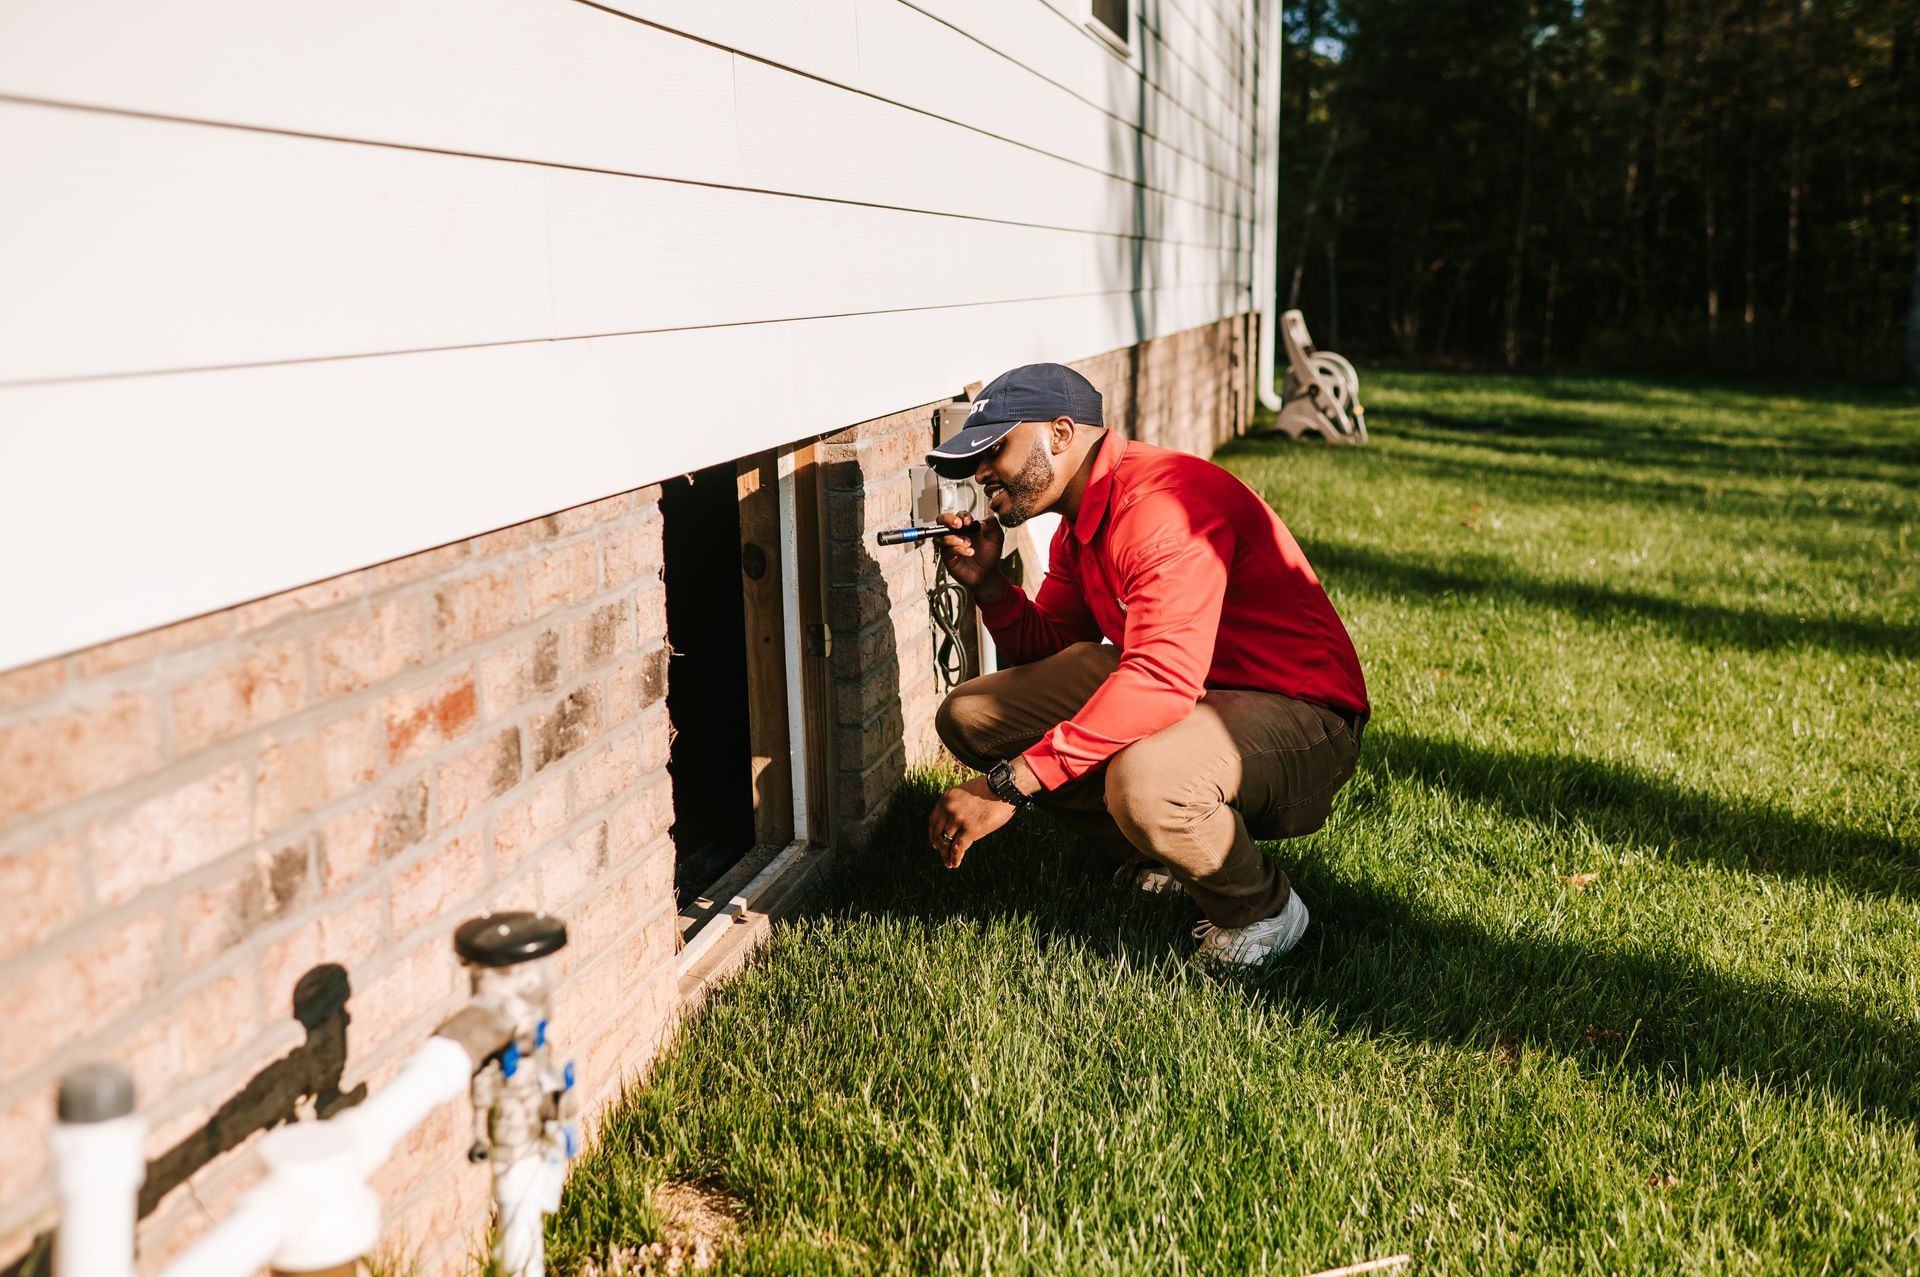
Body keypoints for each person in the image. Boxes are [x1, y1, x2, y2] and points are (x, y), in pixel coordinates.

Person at [923, 363, 1370, 968]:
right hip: (1201, 694)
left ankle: (1260, 909)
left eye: (994, 449)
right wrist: (991, 587)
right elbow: (1054, 653)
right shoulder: (1080, 526)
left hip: (1302, 716)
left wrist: (1009, 786)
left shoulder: (1161, 506)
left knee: (1144, 781)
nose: (981, 473)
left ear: (1060, 434)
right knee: (974, 715)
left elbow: (1160, 681)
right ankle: (1162, 853)